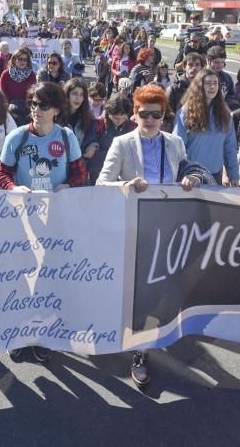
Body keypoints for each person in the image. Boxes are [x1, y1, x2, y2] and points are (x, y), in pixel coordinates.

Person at [97, 84, 214, 388]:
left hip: (168, 227)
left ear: (164, 116)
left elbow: (190, 171)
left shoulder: (175, 143)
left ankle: (141, 350)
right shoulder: (122, 143)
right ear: (134, 114)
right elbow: (101, 183)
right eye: (143, 113)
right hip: (132, 226)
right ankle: (122, 335)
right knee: (131, 288)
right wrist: (126, 184)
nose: (149, 118)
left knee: (155, 291)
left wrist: (193, 178)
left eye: (156, 113)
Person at [0, 82, 87, 363]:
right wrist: (13, 188)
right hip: (23, 219)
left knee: (49, 277)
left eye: (43, 105)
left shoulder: (67, 136)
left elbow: (80, 173)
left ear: (57, 110)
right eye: (33, 104)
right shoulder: (17, 137)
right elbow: (2, 172)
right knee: (22, 277)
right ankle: (19, 333)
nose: (36, 110)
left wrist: (68, 186)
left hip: (56, 218)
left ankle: (45, 333)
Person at [174, 68, 240, 185]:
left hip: (216, 175)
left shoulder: (224, 114)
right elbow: (177, 147)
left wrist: (233, 174)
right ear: (199, 86)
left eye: (215, 83)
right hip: (190, 176)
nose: (212, 87)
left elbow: (229, 147)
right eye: (208, 83)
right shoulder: (185, 112)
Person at [86, 94, 136, 184]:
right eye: (116, 118)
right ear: (108, 113)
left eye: (123, 118)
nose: (119, 121)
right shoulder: (98, 123)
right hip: (99, 171)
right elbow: (88, 143)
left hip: (124, 174)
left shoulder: (132, 126)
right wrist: (93, 145)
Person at [0, 47, 37, 125]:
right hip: (11, 106)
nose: (22, 61)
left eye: (25, 59)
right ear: (14, 60)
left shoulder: (31, 74)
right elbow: (3, 95)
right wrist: (8, 110)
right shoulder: (6, 74)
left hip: (27, 107)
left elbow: (33, 94)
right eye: (20, 59)